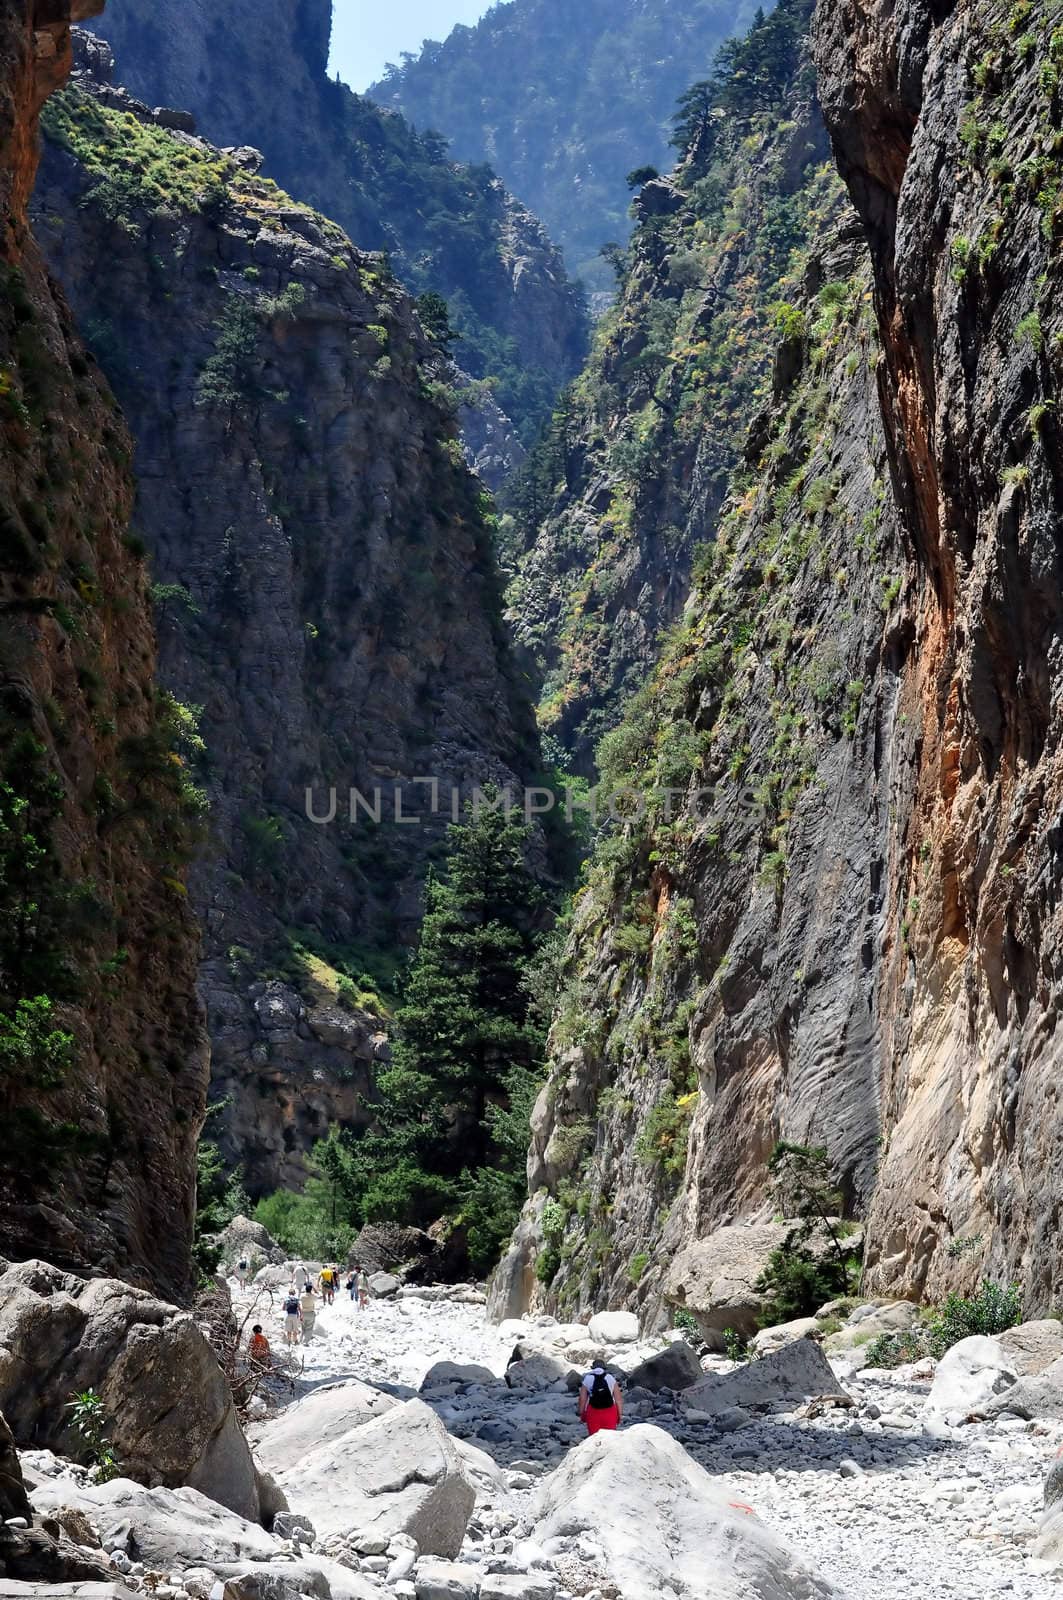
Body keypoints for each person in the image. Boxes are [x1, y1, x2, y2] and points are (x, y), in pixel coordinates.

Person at [578, 1363, 622, 1434]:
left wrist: (581, 1413)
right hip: (610, 1411)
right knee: (610, 1437)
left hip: (593, 1412)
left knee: (594, 1438)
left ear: (593, 1368)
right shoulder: (610, 1378)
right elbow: (618, 1399)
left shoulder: (587, 1379)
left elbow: (582, 1399)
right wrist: (619, 1414)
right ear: (604, 1368)